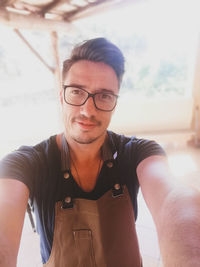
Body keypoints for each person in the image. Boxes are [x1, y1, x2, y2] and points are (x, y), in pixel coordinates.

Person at [0, 37, 200, 267]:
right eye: (76, 92)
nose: (87, 110)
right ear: (61, 97)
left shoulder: (137, 152)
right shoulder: (27, 162)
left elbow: (173, 198)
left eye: (104, 96)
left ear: (115, 102)